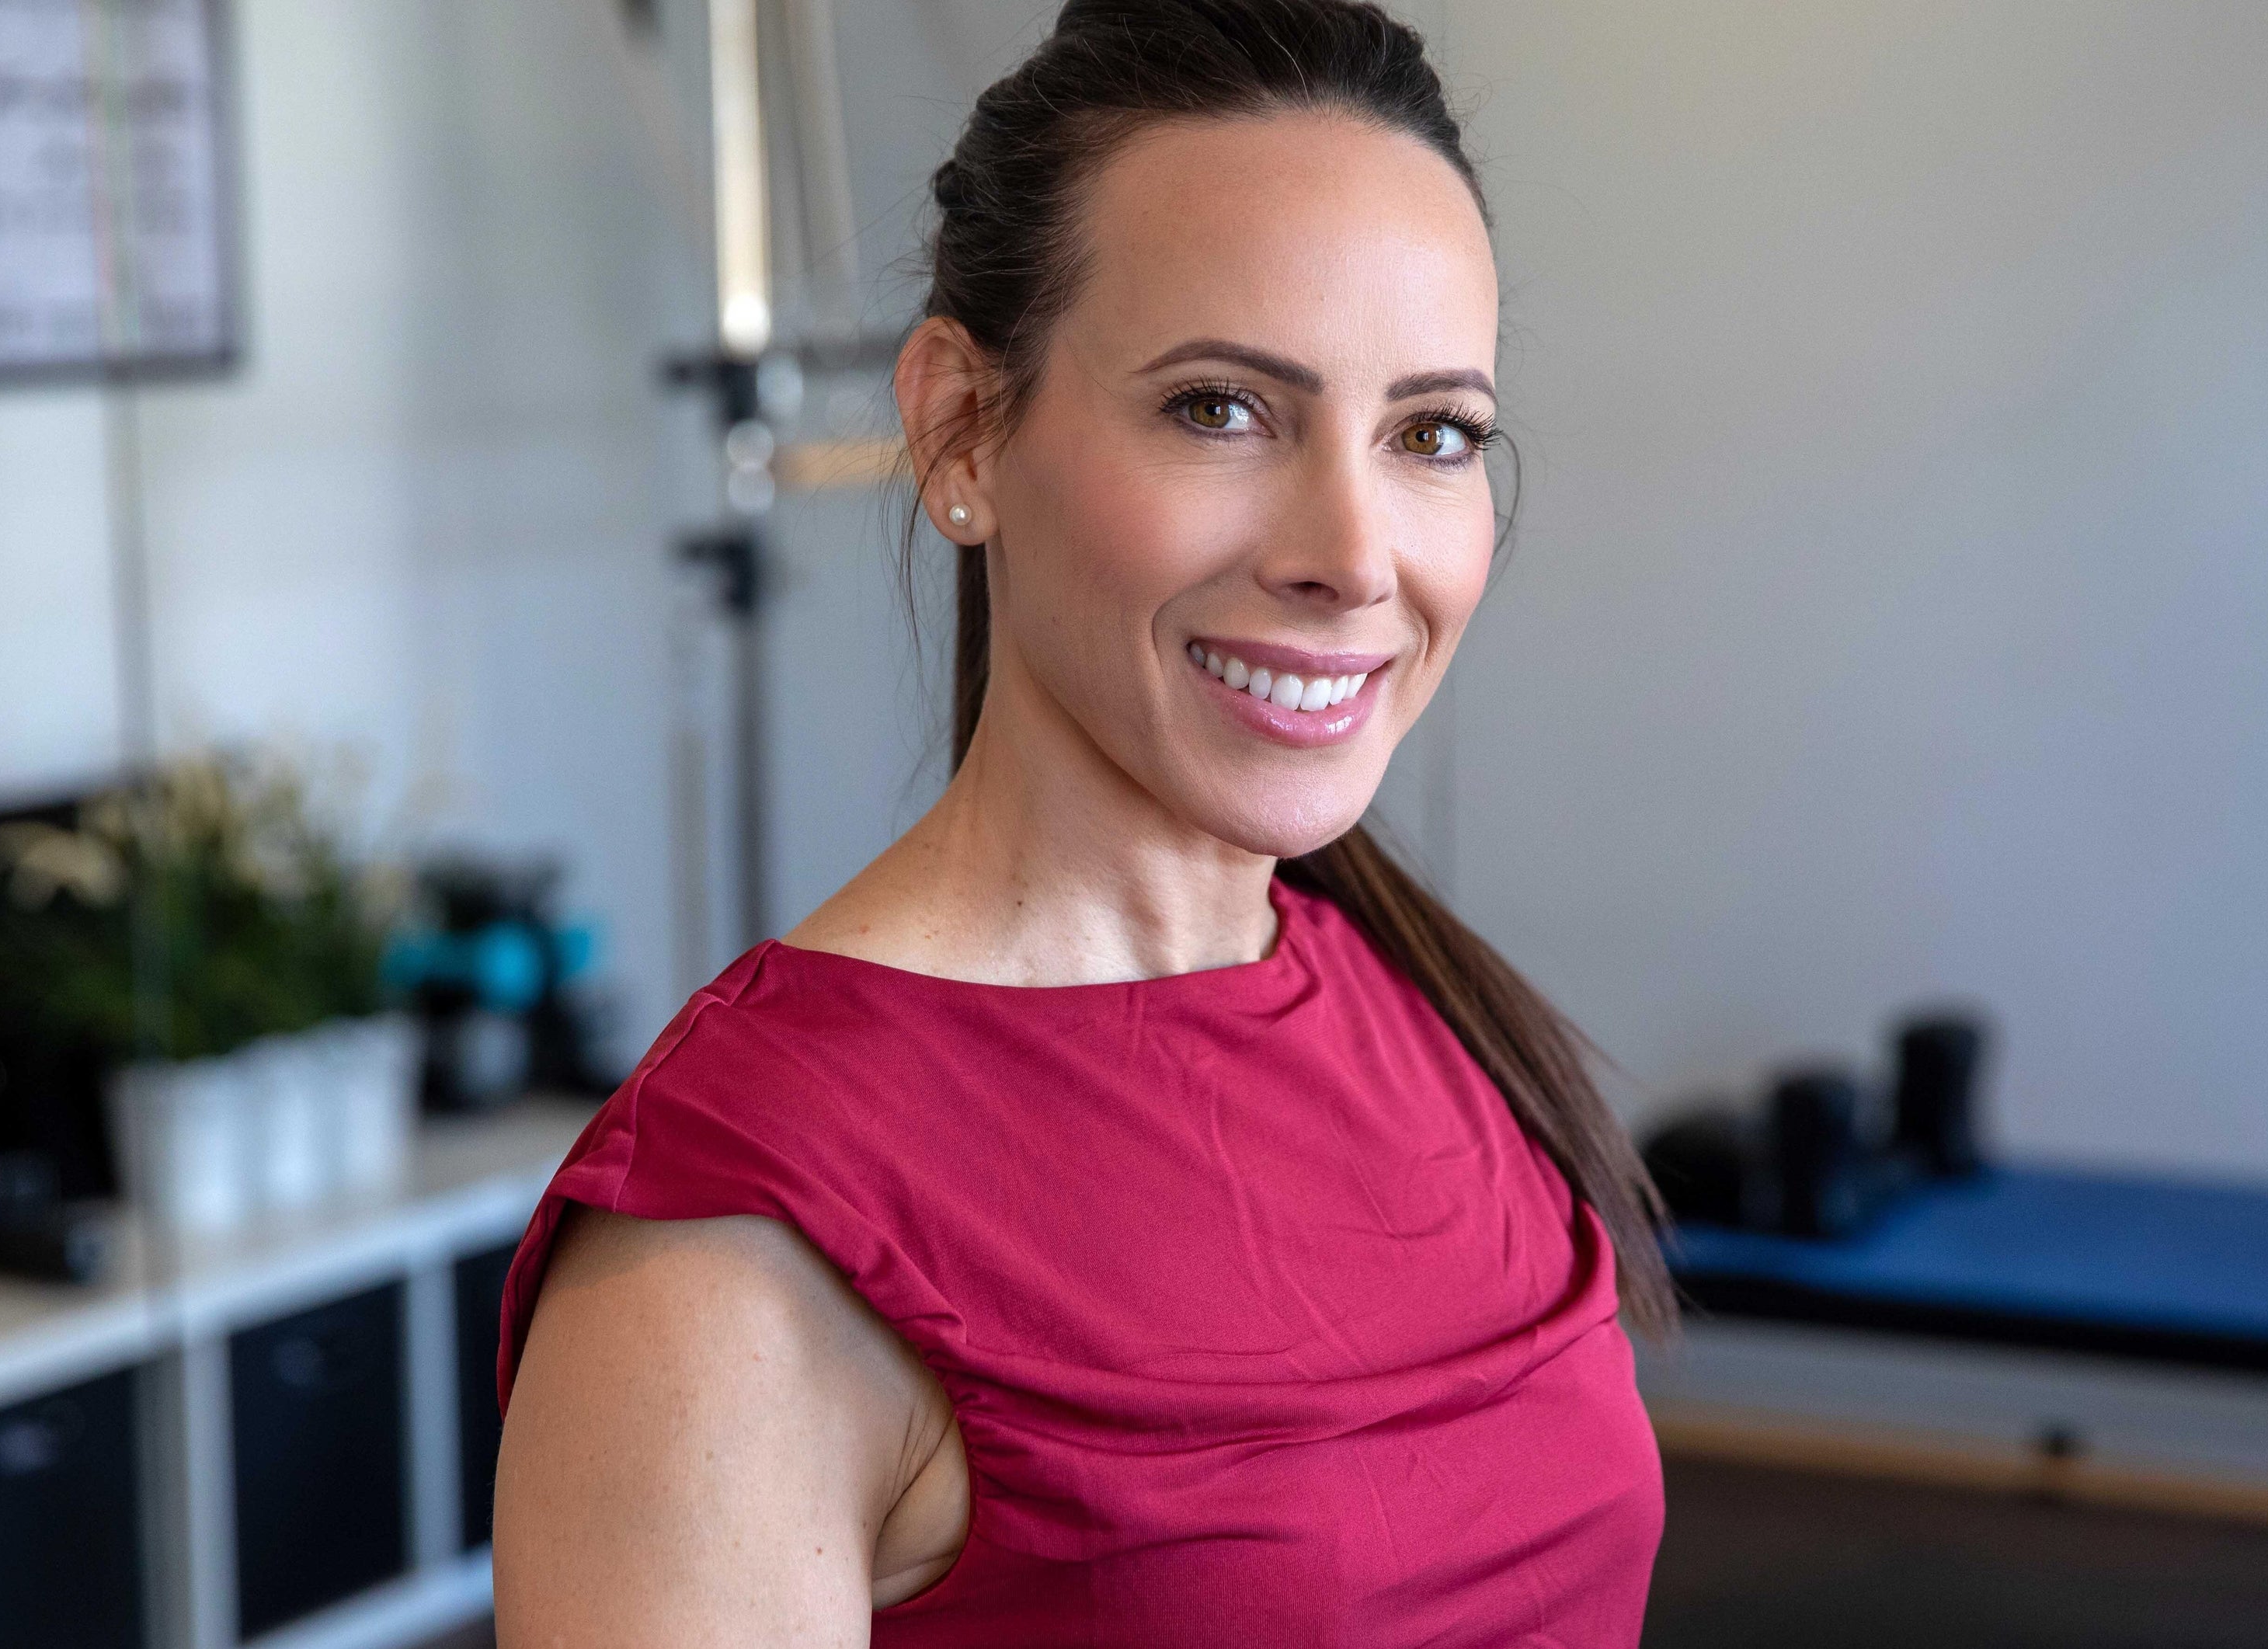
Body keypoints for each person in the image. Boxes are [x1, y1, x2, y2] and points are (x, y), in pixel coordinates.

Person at [492, 1, 1675, 1639]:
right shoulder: (742, 1244)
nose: (1352, 549)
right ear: (959, 427)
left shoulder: (1431, 1019)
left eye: (1433, 435)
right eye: (1221, 409)